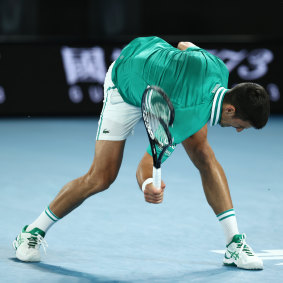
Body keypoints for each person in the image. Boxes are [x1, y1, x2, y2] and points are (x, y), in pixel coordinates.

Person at [13, 36, 270, 270]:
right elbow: (146, 163)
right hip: (124, 82)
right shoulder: (183, 116)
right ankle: (31, 232)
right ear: (230, 111)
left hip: (151, 59)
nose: (238, 132)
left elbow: (183, 45)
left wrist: (167, 73)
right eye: (241, 126)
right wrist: (148, 184)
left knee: (202, 152)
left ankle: (234, 243)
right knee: (101, 177)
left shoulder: (217, 68)